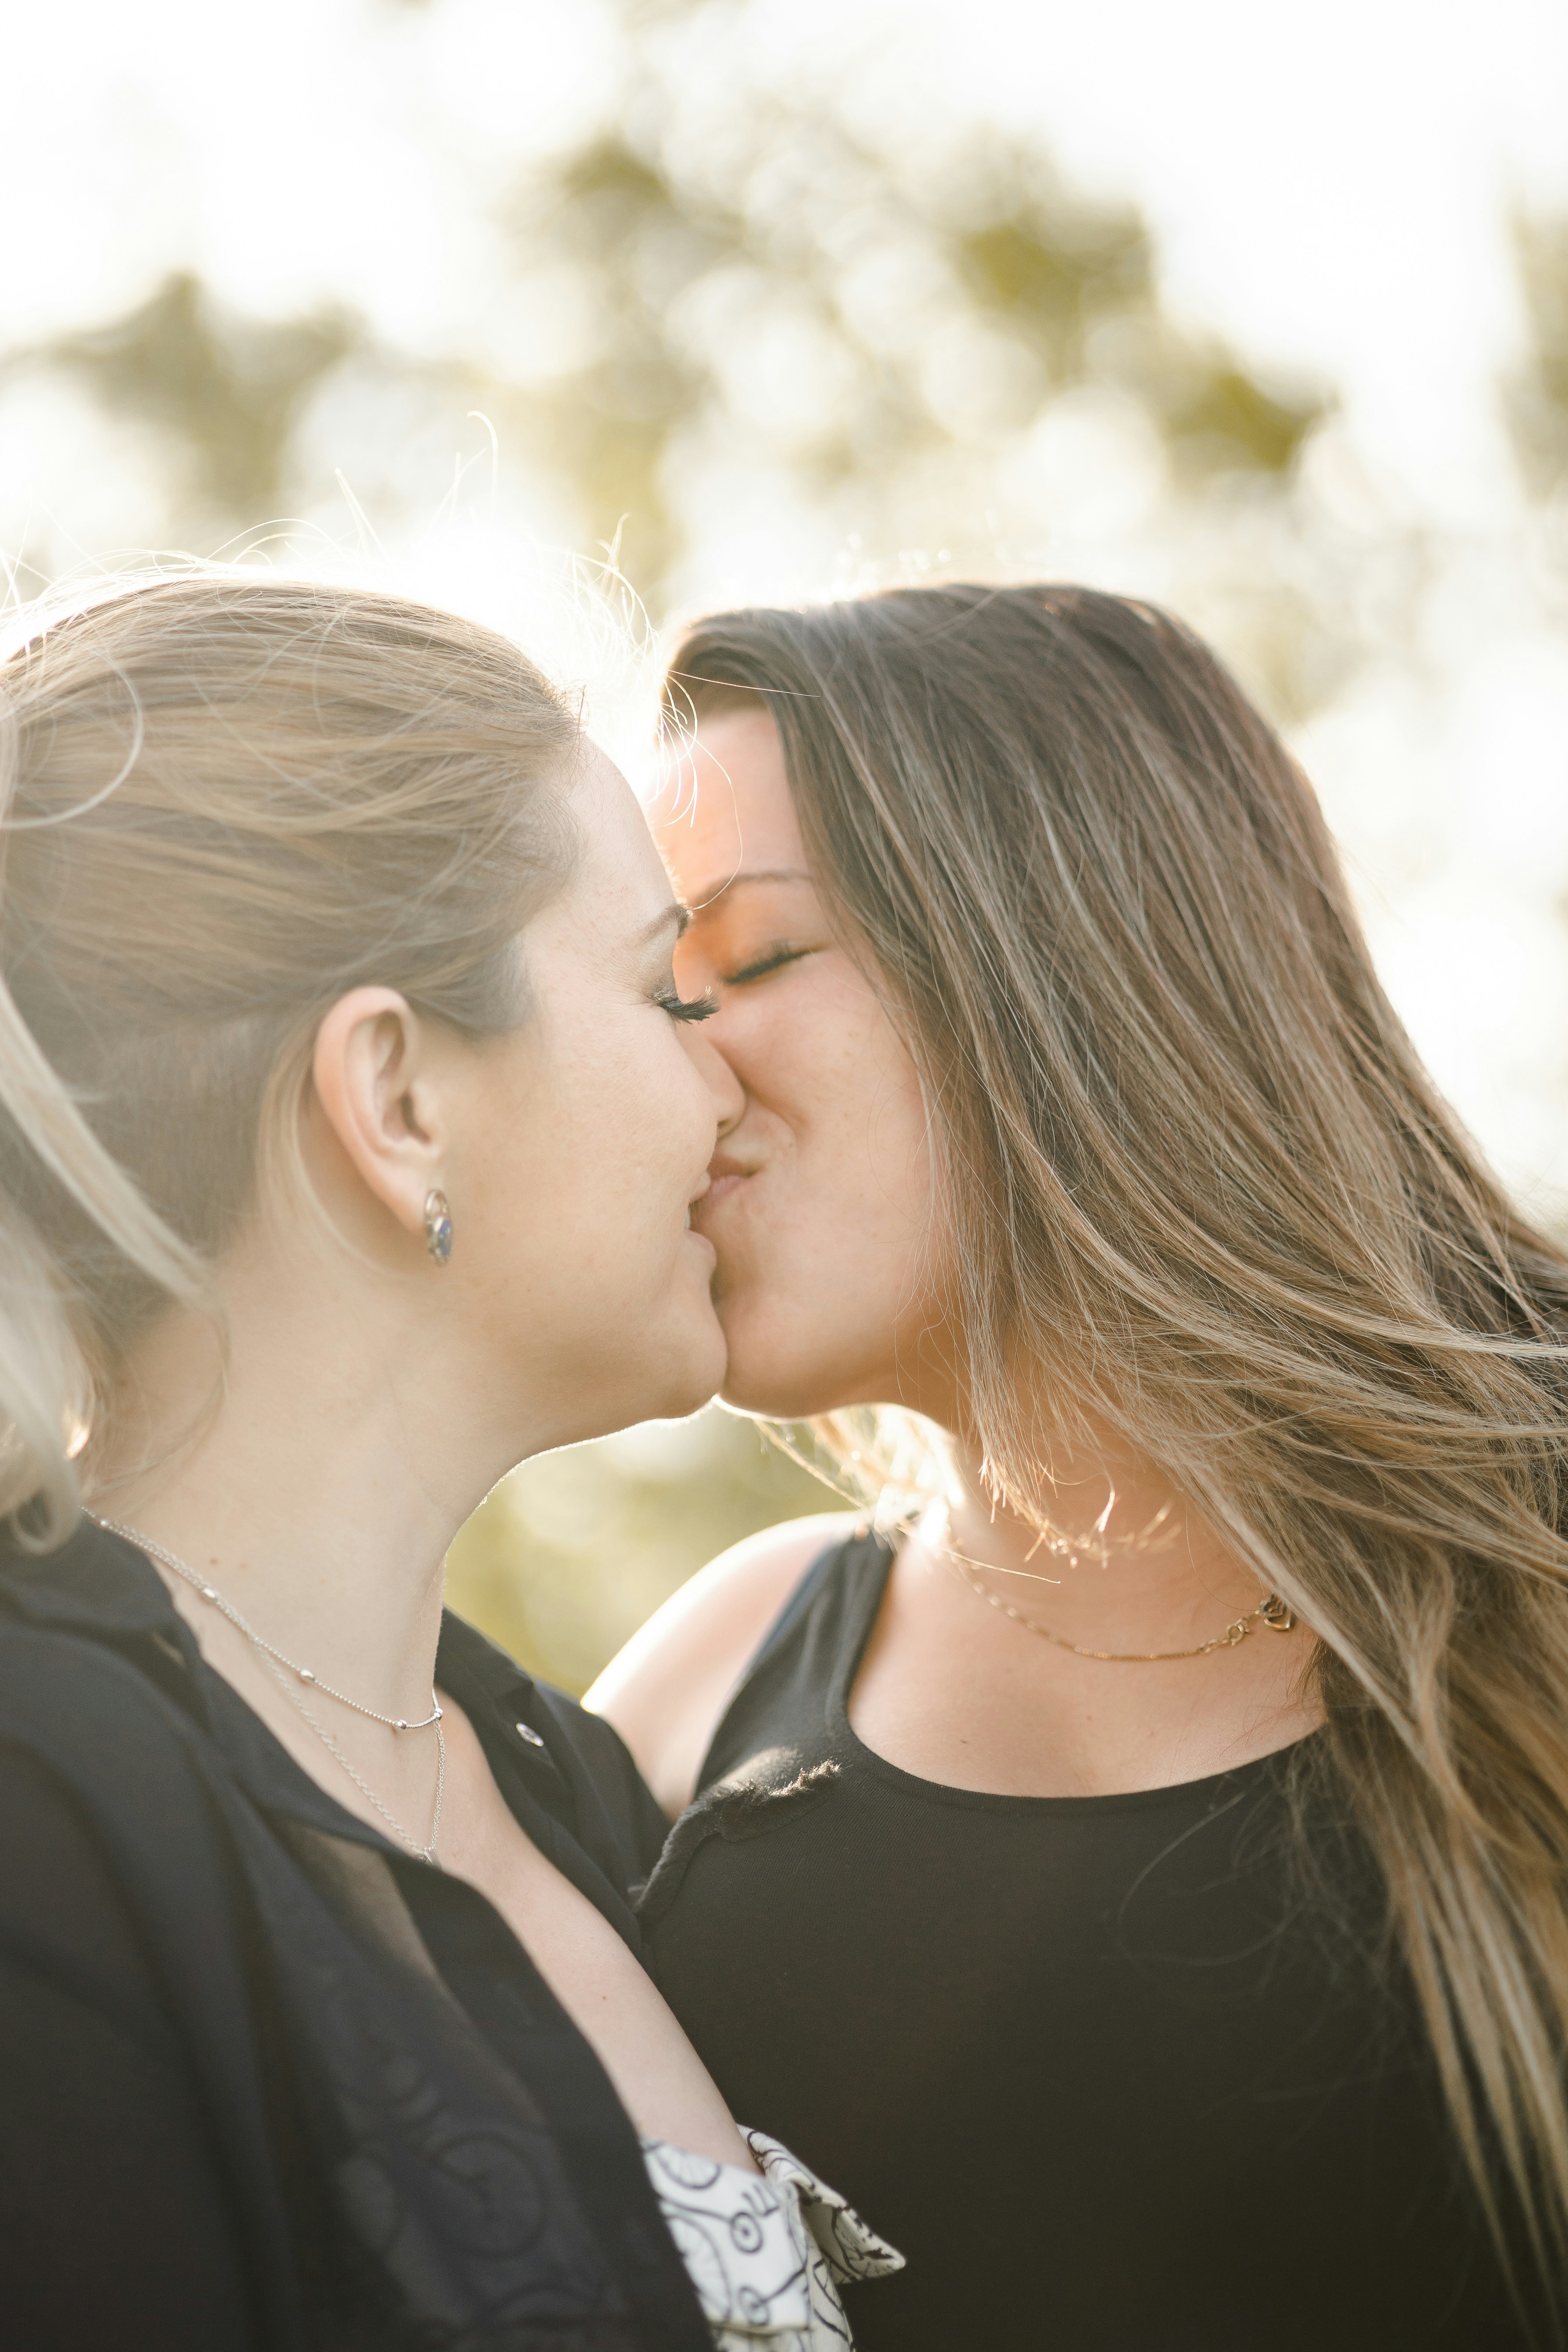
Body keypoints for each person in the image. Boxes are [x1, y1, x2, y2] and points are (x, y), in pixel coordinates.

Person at [590, 582, 1568, 2350]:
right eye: (658, 999)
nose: (676, 1074)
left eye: (748, 963)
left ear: (1065, 952)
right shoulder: (703, 1690)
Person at [0, 573, 898, 2352]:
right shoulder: (40, 1813)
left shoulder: (570, 1784)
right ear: (396, 1097)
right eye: (661, 990)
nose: (728, 1094)